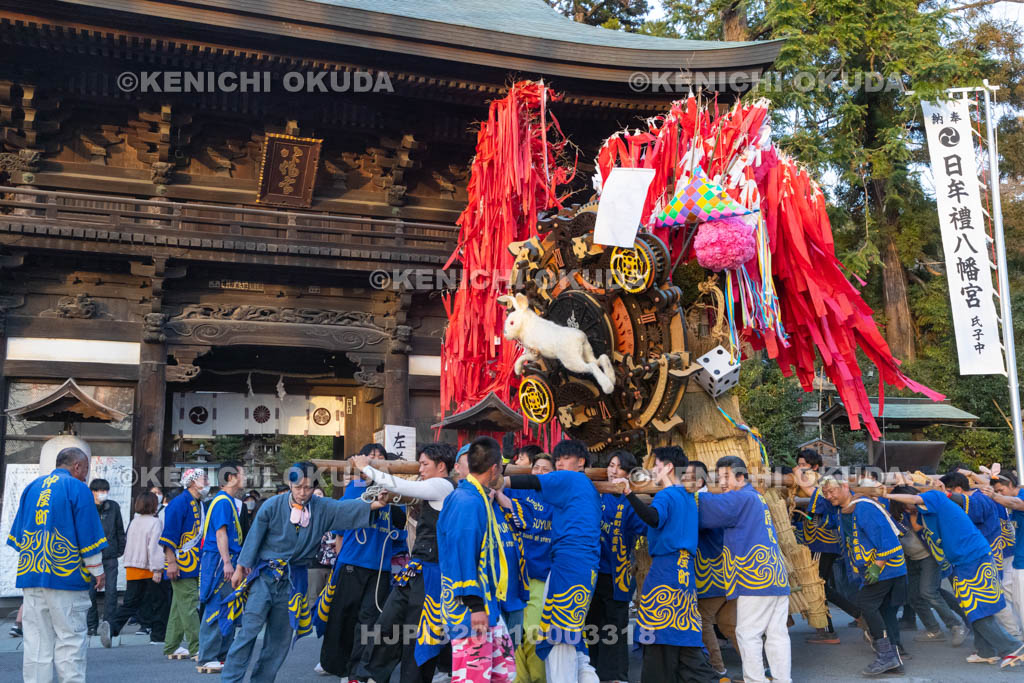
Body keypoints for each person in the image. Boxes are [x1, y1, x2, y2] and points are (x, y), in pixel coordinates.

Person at [218, 461, 390, 683]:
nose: (302, 492)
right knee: (248, 631)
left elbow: (345, 508)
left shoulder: (322, 507)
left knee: (279, 640)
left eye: (308, 487)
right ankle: (230, 680)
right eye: (298, 487)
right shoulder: (272, 505)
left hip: (294, 581)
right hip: (266, 575)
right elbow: (254, 537)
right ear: (289, 483)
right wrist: (240, 569)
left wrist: (374, 506)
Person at [350, 442, 457, 683]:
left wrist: (367, 467)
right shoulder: (431, 487)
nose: (420, 469)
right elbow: (404, 492)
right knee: (387, 623)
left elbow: (399, 484)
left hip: (432, 574)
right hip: (415, 569)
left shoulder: (442, 485)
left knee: (416, 638)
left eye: (424, 464)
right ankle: (370, 675)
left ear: (442, 467)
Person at [886, 484, 1024, 668]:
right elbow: (918, 525)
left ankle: (1012, 647)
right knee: (973, 608)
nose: (907, 508)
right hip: (964, 560)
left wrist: (885, 493)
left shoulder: (935, 497)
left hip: (972, 558)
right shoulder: (925, 512)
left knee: (976, 608)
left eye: (906, 505)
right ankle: (986, 651)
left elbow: (916, 499)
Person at [615, 446, 717, 683]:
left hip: (666, 570)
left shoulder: (666, 495)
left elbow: (654, 518)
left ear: (669, 467)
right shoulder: (689, 497)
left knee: (660, 635)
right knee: (683, 638)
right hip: (685, 573)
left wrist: (629, 493)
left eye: (657, 465)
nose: (653, 470)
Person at [7, 447, 108, 683]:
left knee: (36, 641)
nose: (86, 475)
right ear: (77, 466)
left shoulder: (32, 487)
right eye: (86, 469)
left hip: (32, 575)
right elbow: (88, 533)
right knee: (70, 639)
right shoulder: (78, 488)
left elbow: (19, 538)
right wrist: (97, 570)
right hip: (66, 578)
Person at [505, 439, 601, 683]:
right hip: (577, 563)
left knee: (559, 639)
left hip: (571, 561)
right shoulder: (585, 487)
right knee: (575, 646)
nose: (559, 463)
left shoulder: (573, 478)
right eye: (557, 459)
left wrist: (496, 480)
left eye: (565, 458)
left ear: (581, 462)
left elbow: (531, 481)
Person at [698, 455, 791, 683]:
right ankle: (782, 680)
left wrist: (692, 492)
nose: (721, 483)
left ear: (740, 477)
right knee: (777, 634)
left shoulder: (740, 498)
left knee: (748, 634)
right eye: (718, 478)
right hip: (776, 577)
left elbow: (706, 509)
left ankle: (755, 680)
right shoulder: (755, 497)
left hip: (755, 578)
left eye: (725, 477)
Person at [318, 446, 407, 680]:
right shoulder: (355, 487)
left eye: (381, 458)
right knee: (343, 618)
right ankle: (337, 665)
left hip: (380, 570)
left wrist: (390, 492)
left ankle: (358, 671)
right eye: (372, 458)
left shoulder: (395, 492)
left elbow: (400, 524)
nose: (376, 461)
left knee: (369, 621)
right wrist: (339, 564)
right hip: (351, 563)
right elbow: (341, 525)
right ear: (362, 461)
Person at [438, 436, 516, 683]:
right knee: (474, 676)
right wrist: (475, 605)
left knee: (503, 672)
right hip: (470, 608)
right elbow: (462, 554)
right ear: (494, 469)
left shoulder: (477, 496)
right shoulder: (467, 501)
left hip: (486, 604)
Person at [819, 477, 907, 675]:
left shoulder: (864, 508)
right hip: (875, 569)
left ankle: (886, 656)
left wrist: (876, 567)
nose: (829, 496)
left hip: (886, 568)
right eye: (825, 493)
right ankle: (894, 658)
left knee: (867, 604)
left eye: (832, 491)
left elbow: (888, 542)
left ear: (844, 487)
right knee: (884, 610)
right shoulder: (844, 511)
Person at [586, 450, 646, 683]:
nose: (613, 470)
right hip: (592, 572)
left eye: (619, 467)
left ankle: (615, 677)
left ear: (628, 473)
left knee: (615, 628)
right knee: (592, 626)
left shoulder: (631, 500)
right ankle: (591, 672)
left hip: (617, 575)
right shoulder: (597, 494)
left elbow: (645, 525)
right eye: (611, 465)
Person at [792, 449, 859, 644]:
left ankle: (839, 625)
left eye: (804, 465)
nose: (801, 468)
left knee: (818, 585)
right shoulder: (820, 488)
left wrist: (796, 473)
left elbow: (811, 491)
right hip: (818, 543)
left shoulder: (825, 487)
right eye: (799, 464)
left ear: (814, 467)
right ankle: (842, 621)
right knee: (821, 585)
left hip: (824, 543)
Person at [887, 486, 968, 645]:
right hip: (911, 559)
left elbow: (918, 528)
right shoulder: (897, 517)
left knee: (928, 592)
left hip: (930, 557)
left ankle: (957, 625)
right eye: (907, 502)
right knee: (914, 596)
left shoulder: (924, 510)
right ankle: (934, 629)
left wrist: (913, 512)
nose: (912, 504)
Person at [943, 471, 1020, 638]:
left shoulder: (979, 499)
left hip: (992, 554)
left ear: (957, 489)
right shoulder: (980, 495)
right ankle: (1005, 638)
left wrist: (945, 494)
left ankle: (1014, 636)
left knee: (997, 598)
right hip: (995, 552)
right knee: (1000, 596)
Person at [505, 453, 554, 683]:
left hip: (540, 576)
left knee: (535, 633)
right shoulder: (518, 490)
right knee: (512, 633)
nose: (540, 473)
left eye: (546, 470)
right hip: (514, 574)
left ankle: (539, 678)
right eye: (536, 468)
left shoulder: (556, 499)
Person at [688, 460, 738, 680]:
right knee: (730, 625)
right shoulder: (717, 500)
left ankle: (717, 668)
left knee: (703, 620)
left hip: (710, 576)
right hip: (727, 573)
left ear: (699, 481)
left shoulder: (701, 502)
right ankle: (758, 665)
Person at [196, 461, 247, 673]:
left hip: (226, 559)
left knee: (229, 606)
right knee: (216, 605)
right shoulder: (223, 502)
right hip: (219, 560)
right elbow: (220, 533)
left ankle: (221, 654)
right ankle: (207, 656)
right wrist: (227, 562)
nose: (246, 476)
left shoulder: (228, 501)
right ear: (231, 477)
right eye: (242, 473)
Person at [103, 491, 169, 646]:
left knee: (130, 603)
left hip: (132, 566)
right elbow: (155, 547)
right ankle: (158, 636)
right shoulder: (155, 522)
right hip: (149, 567)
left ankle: (112, 627)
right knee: (160, 602)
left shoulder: (134, 521)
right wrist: (158, 569)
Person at [160, 467, 209, 659]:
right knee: (189, 605)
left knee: (179, 605)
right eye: (203, 479)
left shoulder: (198, 503)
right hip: (180, 562)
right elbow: (169, 535)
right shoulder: (178, 503)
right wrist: (170, 562)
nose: (206, 482)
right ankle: (197, 647)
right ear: (192, 482)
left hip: (193, 562)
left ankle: (171, 645)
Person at [87, 479, 126, 636]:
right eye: (99, 490)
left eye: (105, 490)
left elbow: (119, 529)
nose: (103, 493)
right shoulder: (86, 507)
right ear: (92, 492)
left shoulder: (113, 506)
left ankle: (108, 623)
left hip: (110, 555)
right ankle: (91, 625)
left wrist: (119, 550)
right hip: (90, 556)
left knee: (111, 592)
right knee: (90, 592)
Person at [988, 474, 1024, 638]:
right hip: (1018, 559)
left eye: (1001, 490)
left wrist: (994, 496)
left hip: (1021, 562)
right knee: (1016, 601)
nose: (1000, 494)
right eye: (997, 491)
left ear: (1011, 484)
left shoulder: (1019, 498)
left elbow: (1014, 503)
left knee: (1021, 604)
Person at [306, 486, 332, 608]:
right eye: (314, 494)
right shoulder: (304, 515)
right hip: (313, 564)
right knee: (313, 598)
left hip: (331, 563)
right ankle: (310, 626)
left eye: (320, 494)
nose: (317, 497)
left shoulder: (331, 513)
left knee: (329, 601)